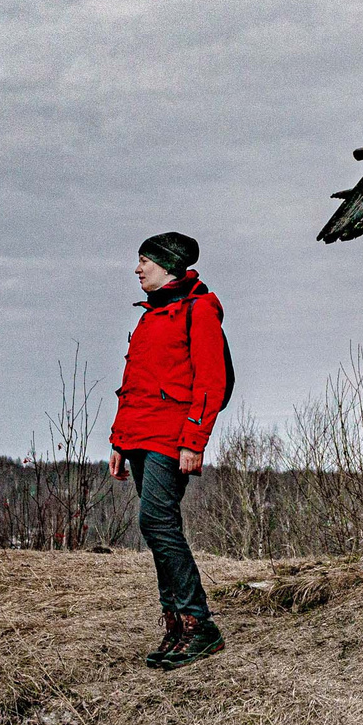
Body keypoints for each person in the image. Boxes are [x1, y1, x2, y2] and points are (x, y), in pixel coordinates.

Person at [108, 231, 228, 670]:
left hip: (171, 439)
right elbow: (134, 386)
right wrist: (119, 441)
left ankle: (200, 624)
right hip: (139, 436)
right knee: (158, 527)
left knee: (155, 520)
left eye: (144, 261)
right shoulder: (151, 316)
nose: (137, 269)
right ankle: (176, 625)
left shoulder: (199, 309)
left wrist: (194, 441)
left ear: (168, 265)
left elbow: (210, 382)